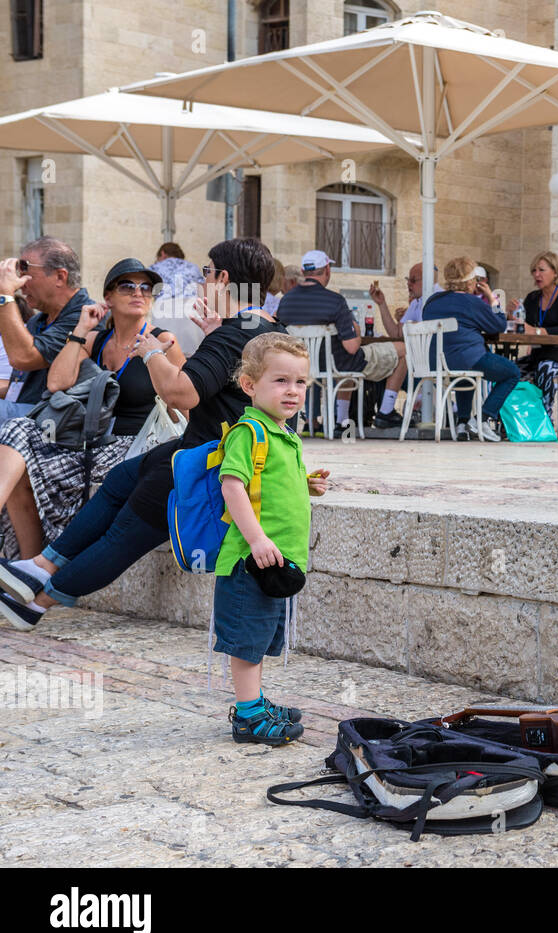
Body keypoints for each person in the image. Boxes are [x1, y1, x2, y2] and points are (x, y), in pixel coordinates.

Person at [0, 238, 280, 631]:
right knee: (120, 480)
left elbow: (181, 393)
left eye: (206, 274)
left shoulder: (232, 335)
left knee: (123, 535)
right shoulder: (259, 328)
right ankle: (41, 564)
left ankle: (38, 602)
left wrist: (151, 352)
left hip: (214, 459)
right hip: (198, 445)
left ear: (223, 279)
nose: (202, 283)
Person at [0, 258, 184, 558]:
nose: (138, 292)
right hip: (89, 441)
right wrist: (82, 328)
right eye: (127, 286)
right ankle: (28, 564)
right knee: (17, 430)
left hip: (134, 447)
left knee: (26, 460)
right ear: (108, 298)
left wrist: (152, 357)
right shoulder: (97, 339)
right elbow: (57, 382)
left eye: (146, 287)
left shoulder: (163, 340)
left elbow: (185, 401)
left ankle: (34, 564)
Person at [218, 332, 329, 745]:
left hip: (275, 562)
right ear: (249, 385)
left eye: (300, 382)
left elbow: (269, 484)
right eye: (280, 381)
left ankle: (256, 702)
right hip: (252, 560)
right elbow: (232, 486)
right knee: (247, 641)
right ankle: (247, 715)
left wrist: (304, 484)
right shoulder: (250, 432)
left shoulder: (283, 433)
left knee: (262, 636)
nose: (293, 391)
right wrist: (258, 539)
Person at [275, 250, 408, 432]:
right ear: (327, 270)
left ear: (303, 271)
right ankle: (386, 412)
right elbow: (352, 346)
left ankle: (343, 420)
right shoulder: (334, 301)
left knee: (341, 357)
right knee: (403, 349)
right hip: (338, 366)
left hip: (303, 366)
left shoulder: (285, 302)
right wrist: (357, 329)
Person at [421, 256, 519, 441]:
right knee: (512, 372)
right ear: (471, 280)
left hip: (436, 363)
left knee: (465, 373)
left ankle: (462, 424)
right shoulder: (472, 302)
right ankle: (482, 418)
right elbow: (498, 325)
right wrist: (492, 297)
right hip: (468, 358)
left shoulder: (432, 301)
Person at [0, 237, 92, 422]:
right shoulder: (39, 320)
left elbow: (23, 357)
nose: (21, 282)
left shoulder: (85, 316)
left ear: (60, 276)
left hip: (54, 422)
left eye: (25, 270)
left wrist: (5, 295)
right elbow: (20, 385)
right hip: (22, 411)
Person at [508, 252, 558, 417]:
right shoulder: (532, 298)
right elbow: (525, 327)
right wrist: (512, 317)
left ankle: (544, 417)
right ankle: (512, 420)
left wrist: (535, 330)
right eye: (534, 270)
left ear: (555, 272)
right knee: (509, 370)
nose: (537, 275)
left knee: (546, 368)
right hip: (541, 354)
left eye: (541, 270)